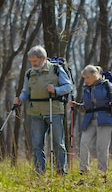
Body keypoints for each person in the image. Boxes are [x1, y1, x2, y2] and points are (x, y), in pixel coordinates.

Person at [14, 45, 73, 175]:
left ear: (43, 58)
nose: (33, 63)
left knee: (58, 142)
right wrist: (20, 99)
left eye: (35, 61)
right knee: (36, 144)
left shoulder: (56, 70)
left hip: (54, 110)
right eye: (31, 61)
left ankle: (61, 171)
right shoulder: (30, 73)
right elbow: (26, 91)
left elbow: (69, 86)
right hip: (35, 112)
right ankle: (39, 171)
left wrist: (56, 90)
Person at [69, 65, 112, 178]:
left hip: (105, 119)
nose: (86, 80)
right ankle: (83, 171)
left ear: (95, 75)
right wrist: (77, 106)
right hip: (89, 120)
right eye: (84, 78)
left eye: (87, 77)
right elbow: (85, 108)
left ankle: (102, 172)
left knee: (101, 146)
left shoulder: (106, 84)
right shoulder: (86, 88)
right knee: (84, 143)